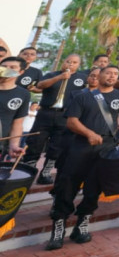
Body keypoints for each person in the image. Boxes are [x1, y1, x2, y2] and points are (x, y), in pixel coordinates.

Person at [45, 65, 119, 250]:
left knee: (94, 188)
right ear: (99, 75)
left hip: (107, 147)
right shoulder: (82, 97)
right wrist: (89, 134)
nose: (112, 76)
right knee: (68, 185)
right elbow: (72, 122)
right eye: (108, 73)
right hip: (81, 147)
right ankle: (59, 227)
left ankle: (82, 224)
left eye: (115, 74)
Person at [25, 54, 90, 185]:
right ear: (63, 62)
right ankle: (28, 172)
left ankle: (45, 173)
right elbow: (41, 85)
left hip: (65, 116)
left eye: (75, 62)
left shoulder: (83, 78)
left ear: (79, 65)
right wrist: (59, 77)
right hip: (45, 113)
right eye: (68, 61)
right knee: (35, 142)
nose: (71, 64)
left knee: (57, 146)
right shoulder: (51, 74)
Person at [0, 55, 30, 159]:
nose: (7, 69)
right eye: (4, 66)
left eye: (12, 67)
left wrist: (13, 146)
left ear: (21, 72)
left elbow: (17, 123)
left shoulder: (23, 94)